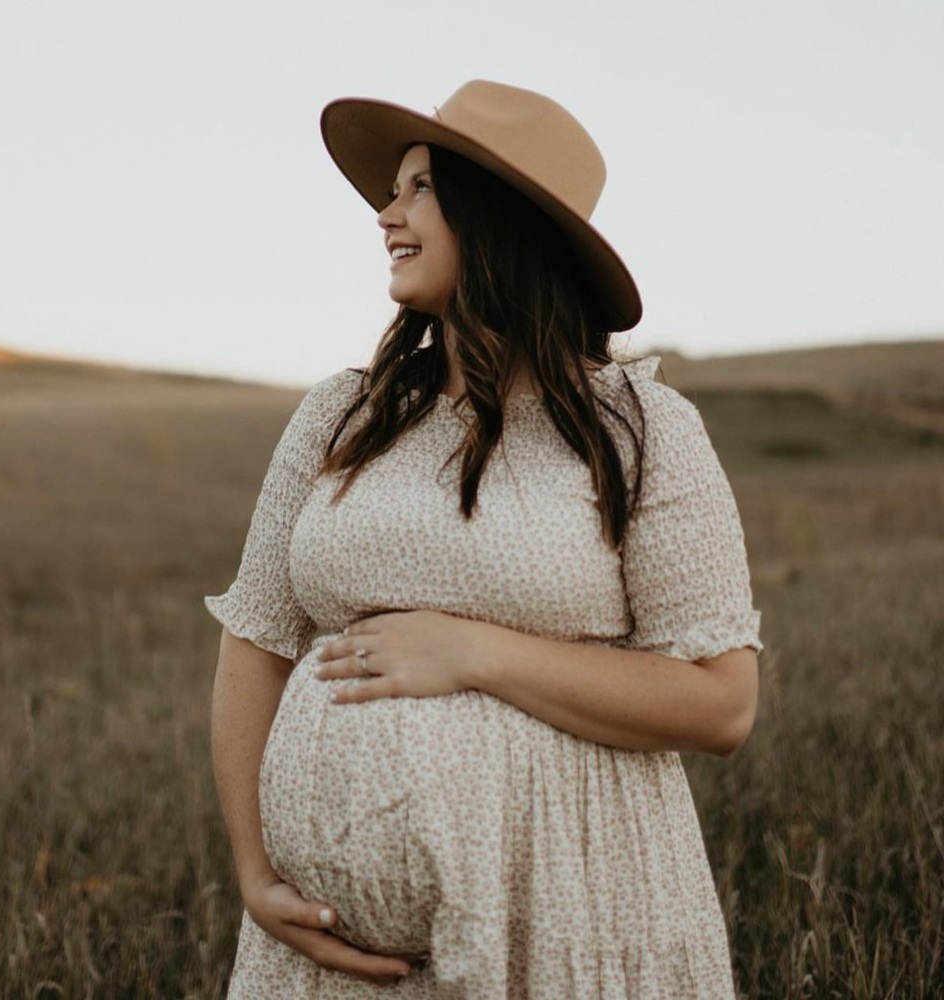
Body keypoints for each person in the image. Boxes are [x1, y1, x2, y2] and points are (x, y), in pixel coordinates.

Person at [207, 80, 762, 999]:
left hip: (574, 914)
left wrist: (474, 652)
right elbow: (256, 640)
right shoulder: (341, 414)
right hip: (321, 961)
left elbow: (722, 704)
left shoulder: (643, 428)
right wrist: (255, 872)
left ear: (497, 215)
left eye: (417, 188)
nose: (387, 214)